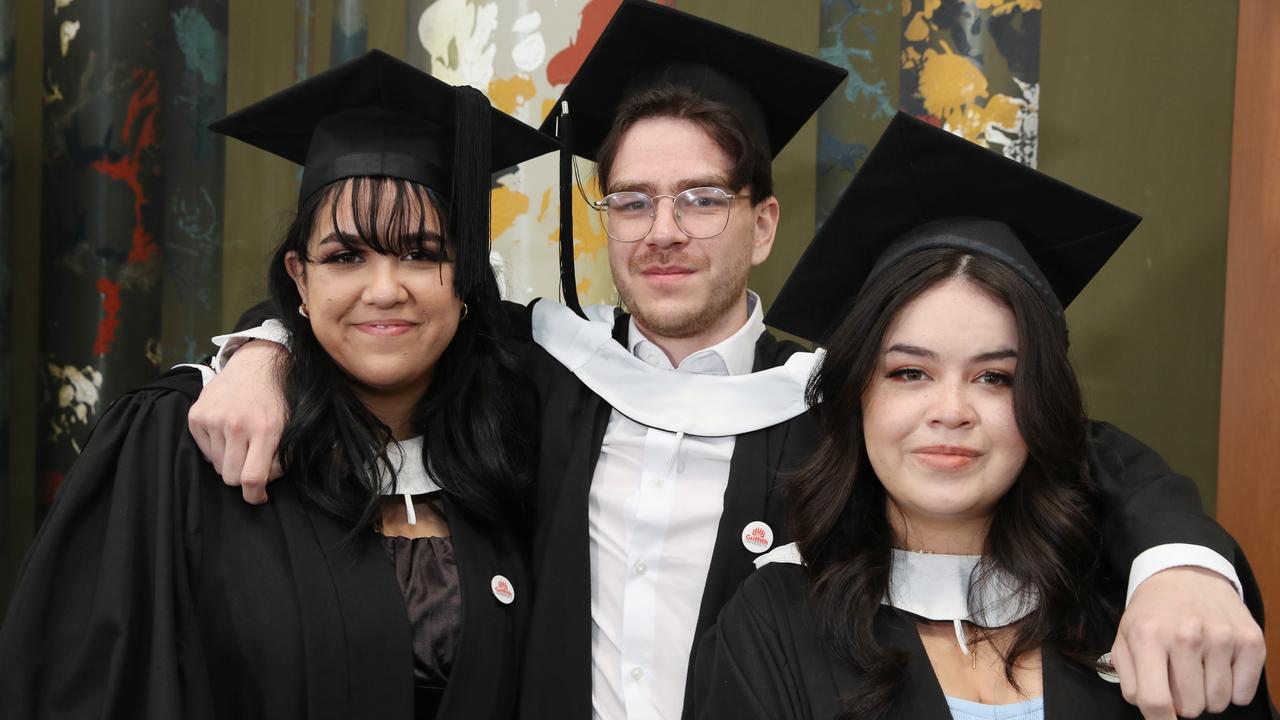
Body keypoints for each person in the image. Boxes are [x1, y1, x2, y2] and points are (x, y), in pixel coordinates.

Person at [188, 4, 1265, 720]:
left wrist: (1178, 559)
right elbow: (377, 304)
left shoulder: (841, 398)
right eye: (633, 201)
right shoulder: (530, 372)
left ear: (759, 223)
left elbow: (1069, 449)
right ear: (602, 220)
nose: (664, 230)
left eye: (702, 199)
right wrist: (262, 346)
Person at [0, 50, 558, 719]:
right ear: (299, 277)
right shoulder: (188, 445)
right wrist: (262, 350)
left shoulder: (526, 433)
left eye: (421, 252)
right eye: (346, 256)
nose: (385, 290)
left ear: (466, 275)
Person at [694, 112, 1272, 719]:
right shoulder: (773, 625)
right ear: (857, 394)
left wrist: (1180, 567)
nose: (951, 411)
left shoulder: (1149, 610)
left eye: (995, 378)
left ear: (1041, 406)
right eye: (909, 373)